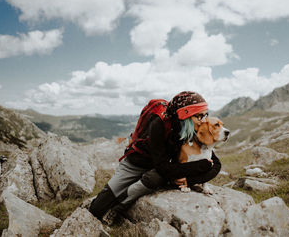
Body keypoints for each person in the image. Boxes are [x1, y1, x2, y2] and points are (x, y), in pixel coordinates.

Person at [88, 91, 221, 224]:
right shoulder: (159, 124)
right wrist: (200, 166)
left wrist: (189, 180)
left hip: (157, 168)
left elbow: (216, 164)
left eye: (205, 115)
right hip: (135, 164)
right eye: (199, 116)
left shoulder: (192, 128)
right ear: (184, 114)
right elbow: (165, 168)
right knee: (96, 209)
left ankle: (118, 208)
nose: (204, 120)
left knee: (155, 178)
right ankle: (113, 197)